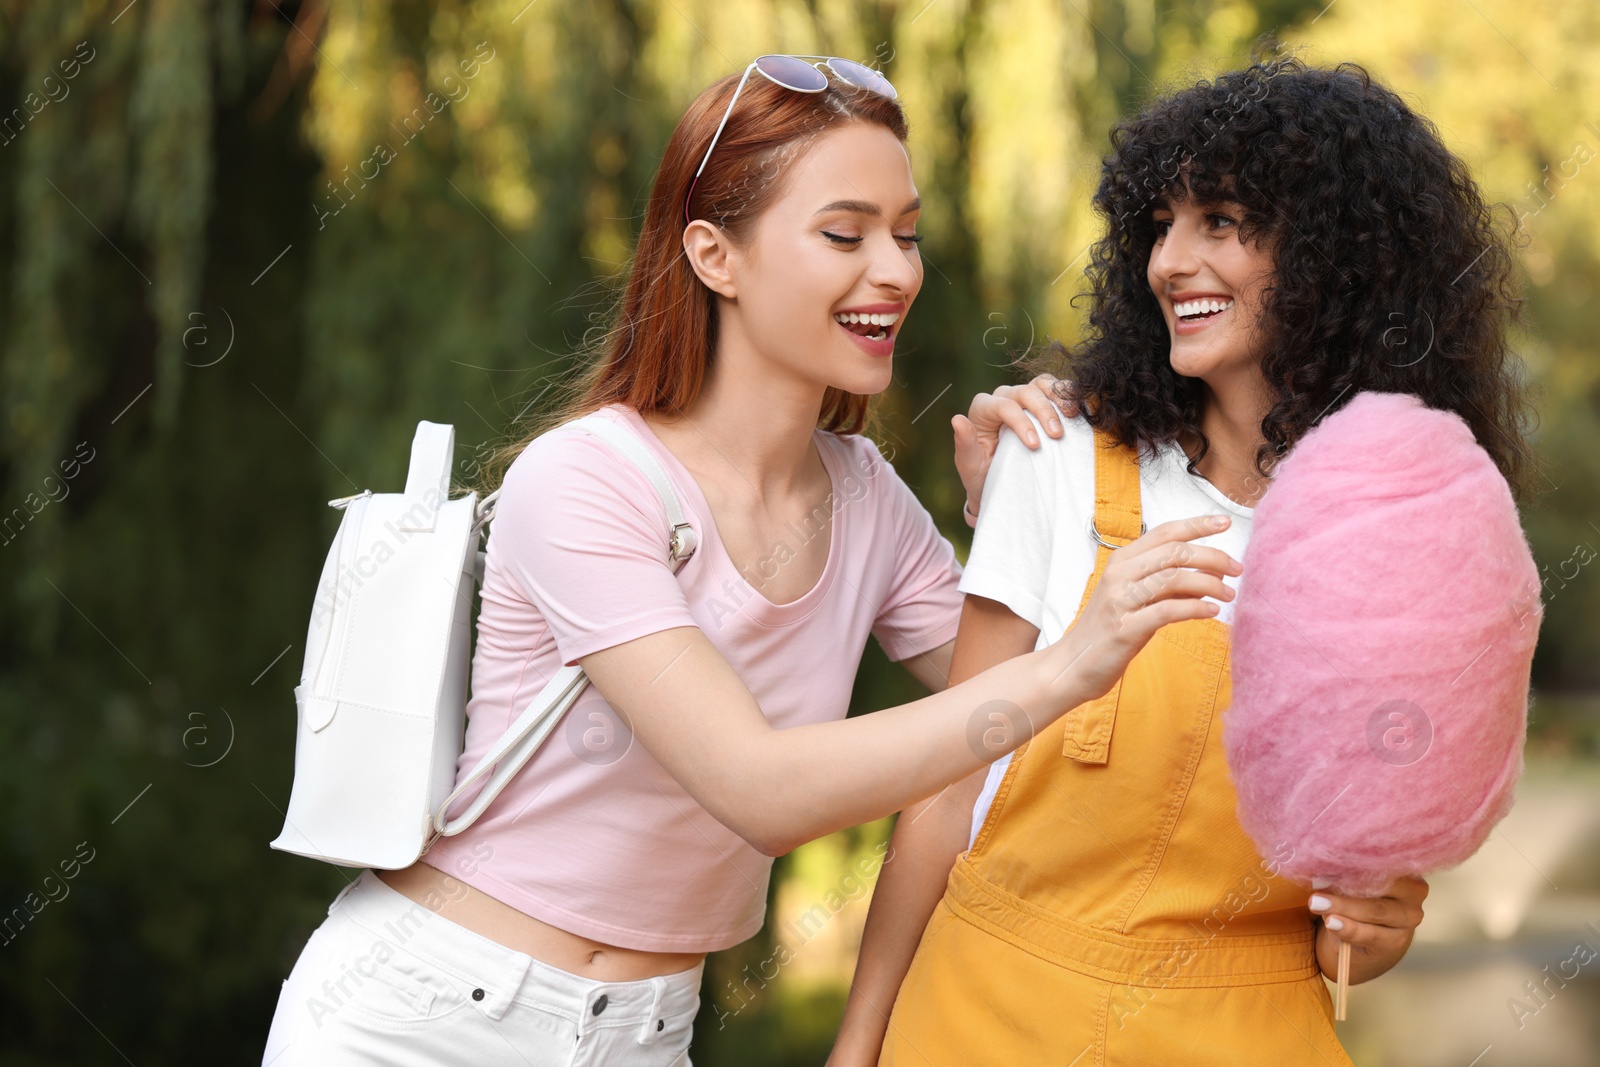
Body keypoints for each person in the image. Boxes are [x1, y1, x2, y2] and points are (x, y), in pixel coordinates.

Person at [262, 55, 1239, 1066]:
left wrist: (1019, 517)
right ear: (713, 255)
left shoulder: (865, 498)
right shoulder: (585, 480)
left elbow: (1053, 716)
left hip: (647, 1032)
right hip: (424, 1016)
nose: (896, 271)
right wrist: (1065, 661)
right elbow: (762, 788)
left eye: (905, 235)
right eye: (843, 233)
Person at [831, 56, 1536, 1066]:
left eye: (1220, 220)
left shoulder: (1404, 542)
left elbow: (1351, 904)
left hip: (1249, 1027)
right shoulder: (1056, 460)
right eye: (1161, 223)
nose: (1169, 259)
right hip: (984, 1014)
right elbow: (944, 790)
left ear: (1338, 253)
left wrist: (1374, 930)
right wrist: (858, 1044)